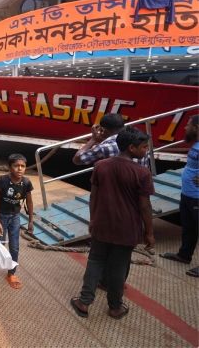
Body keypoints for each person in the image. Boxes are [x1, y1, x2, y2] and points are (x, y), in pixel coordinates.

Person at [70, 127, 155, 320]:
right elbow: (145, 206)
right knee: (119, 266)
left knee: (95, 261)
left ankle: (84, 301)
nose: (146, 151)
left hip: (102, 224)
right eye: (143, 147)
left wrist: (93, 221)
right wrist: (149, 233)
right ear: (132, 148)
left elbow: (94, 197)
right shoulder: (142, 173)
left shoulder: (101, 166)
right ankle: (115, 307)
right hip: (127, 229)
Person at [160, 115, 199, 277]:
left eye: (188, 125)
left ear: (197, 127)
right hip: (188, 194)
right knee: (188, 227)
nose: (185, 128)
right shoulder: (196, 144)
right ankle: (184, 255)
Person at [0, 153, 35, 289]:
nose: (20, 169)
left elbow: (29, 201)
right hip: (1, 216)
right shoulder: (1, 181)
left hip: (15, 217)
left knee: (15, 247)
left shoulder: (26, 183)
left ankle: (11, 273)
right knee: (0, 243)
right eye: (16, 166)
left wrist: (31, 220)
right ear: (10, 167)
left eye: (23, 166)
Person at [73, 113, 149, 167]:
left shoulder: (104, 147)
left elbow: (77, 160)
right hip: (138, 184)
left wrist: (93, 139)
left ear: (103, 129)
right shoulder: (140, 142)